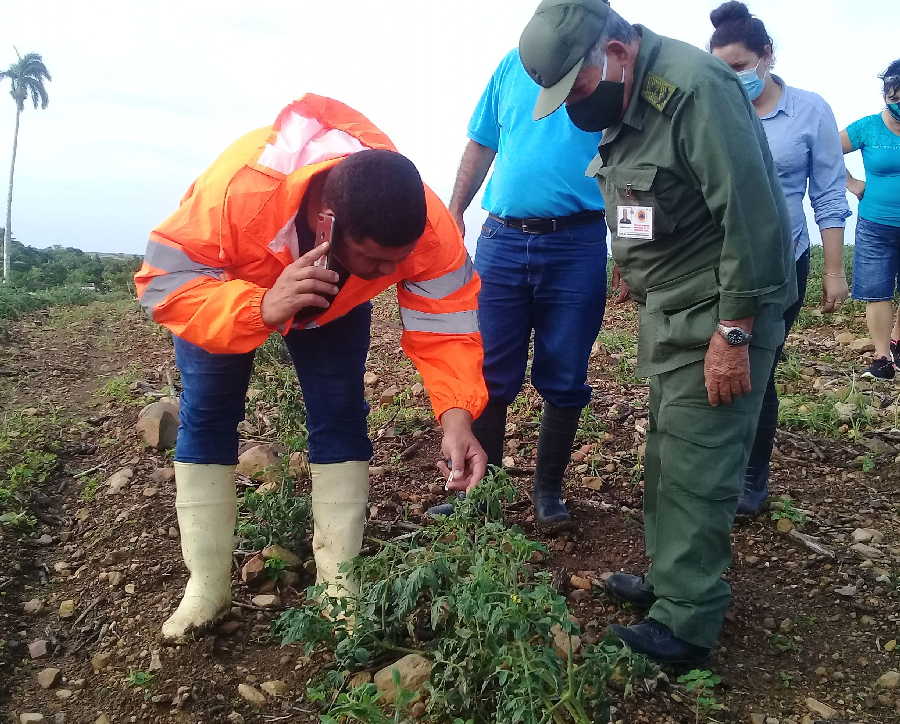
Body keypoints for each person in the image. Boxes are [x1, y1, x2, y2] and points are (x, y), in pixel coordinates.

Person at [134, 94, 488, 640]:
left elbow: (447, 326)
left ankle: (338, 585)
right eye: (375, 261)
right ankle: (206, 589)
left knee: (340, 412)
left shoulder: (425, 227)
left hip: (331, 307)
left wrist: (457, 416)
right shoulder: (239, 192)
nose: (392, 273)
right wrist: (260, 308)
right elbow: (162, 286)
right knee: (207, 415)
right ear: (328, 223)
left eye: (399, 260)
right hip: (229, 289)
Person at [518, 0, 795, 663]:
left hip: (719, 314)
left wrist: (733, 335)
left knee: (700, 466)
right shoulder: (629, 92)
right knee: (670, 457)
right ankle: (672, 583)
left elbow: (754, 215)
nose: (575, 105)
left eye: (577, 87)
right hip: (673, 311)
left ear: (615, 53)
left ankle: (687, 626)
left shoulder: (694, 89)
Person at [430, 48, 607, 529]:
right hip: (503, 239)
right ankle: (477, 491)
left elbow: (637, 164)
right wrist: (455, 209)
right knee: (488, 371)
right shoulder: (514, 66)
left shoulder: (610, 68)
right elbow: (481, 141)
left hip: (579, 241)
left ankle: (548, 492)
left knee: (566, 372)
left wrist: (632, 251)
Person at [708, 1, 851, 515]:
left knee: (757, 365)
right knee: (712, 362)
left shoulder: (809, 110)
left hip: (782, 261)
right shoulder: (711, 110)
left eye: (741, 67)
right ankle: (712, 468)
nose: (733, 78)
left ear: (767, 56)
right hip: (716, 262)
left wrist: (834, 272)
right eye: (721, 69)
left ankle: (752, 477)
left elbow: (829, 194)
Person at [841, 59, 900, 380]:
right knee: (878, 290)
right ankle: (882, 356)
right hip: (877, 224)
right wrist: (852, 184)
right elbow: (826, 151)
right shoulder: (868, 127)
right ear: (886, 94)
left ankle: (898, 340)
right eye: (895, 96)